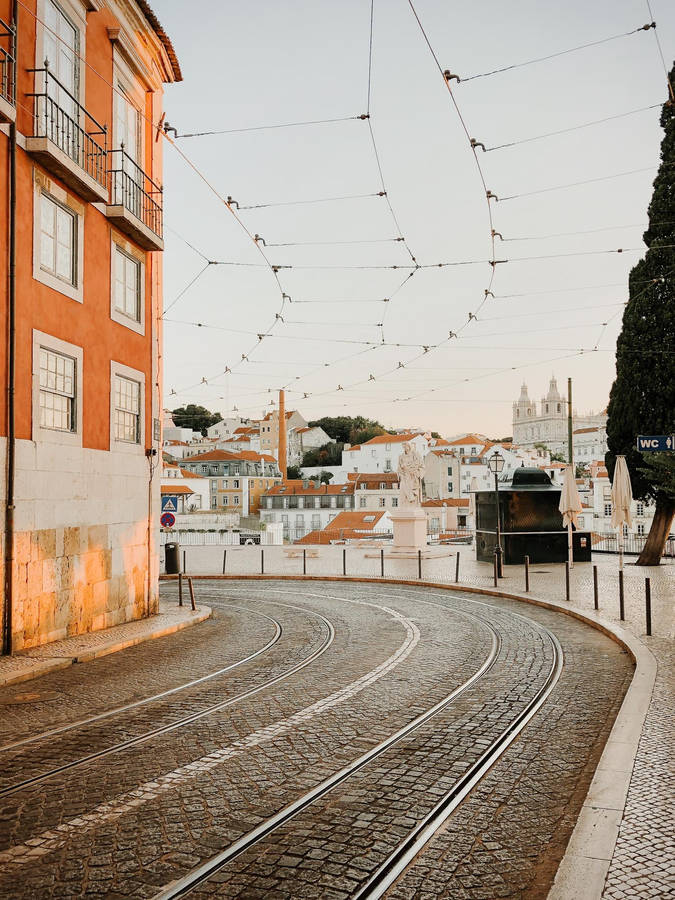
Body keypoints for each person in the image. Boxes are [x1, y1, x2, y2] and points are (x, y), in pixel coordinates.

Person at [397, 442, 424, 507]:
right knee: (403, 484)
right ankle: (409, 498)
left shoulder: (415, 455)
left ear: (409, 446)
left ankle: (411, 497)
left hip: (413, 475)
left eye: (405, 446)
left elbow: (421, 465)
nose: (404, 448)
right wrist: (402, 470)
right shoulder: (401, 456)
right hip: (405, 474)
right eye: (403, 447)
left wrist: (414, 471)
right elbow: (399, 467)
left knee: (410, 483)